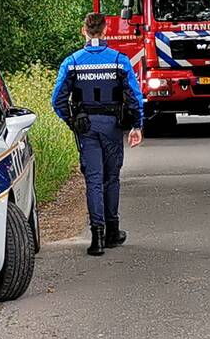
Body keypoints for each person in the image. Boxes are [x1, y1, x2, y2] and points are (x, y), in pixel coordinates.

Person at [52, 13, 145, 256]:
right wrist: (137, 125)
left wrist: (72, 122)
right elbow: (134, 97)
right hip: (112, 125)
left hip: (86, 127)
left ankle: (97, 238)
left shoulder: (72, 61)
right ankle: (113, 232)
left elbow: (58, 100)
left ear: (84, 31)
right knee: (111, 178)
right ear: (105, 32)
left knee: (93, 179)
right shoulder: (118, 61)